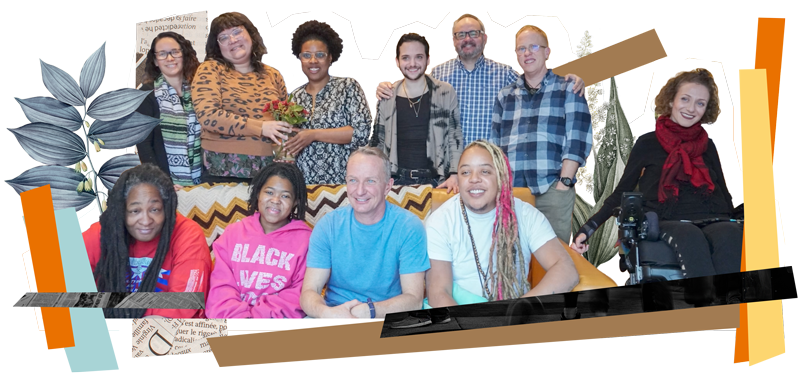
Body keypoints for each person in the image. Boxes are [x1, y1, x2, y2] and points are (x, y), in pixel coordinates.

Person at [572, 68, 743, 280]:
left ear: (706, 109)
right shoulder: (647, 143)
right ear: (671, 101)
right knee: (690, 237)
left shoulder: (707, 146)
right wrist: (587, 229)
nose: (691, 108)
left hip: (713, 218)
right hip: (668, 219)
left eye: (700, 103)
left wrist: (737, 217)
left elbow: (723, 194)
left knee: (731, 235)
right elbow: (621, 192)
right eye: (685, 99)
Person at [390, 140, 580, 329]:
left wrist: (521, 308)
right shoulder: (440, 221)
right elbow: (439, 291)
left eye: (485, 171)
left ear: (500, 176)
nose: (474, 179)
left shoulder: (526, 215)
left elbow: (566, 270)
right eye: (465, 172)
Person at [376, 14, 585, 146]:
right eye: (460, 35)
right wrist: (387, 87)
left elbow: (537, 83)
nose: (467, 39)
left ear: (484, 38)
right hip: (446, 173)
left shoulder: (506, 75)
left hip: (490, 171)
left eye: (473, 33)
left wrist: (568, 79)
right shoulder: (438, 75)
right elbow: (411, 89)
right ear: (454, 41)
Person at [300, 147, 429, 318]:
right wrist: (328, 313)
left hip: (387, 316)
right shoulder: (328, 226)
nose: (359, 191)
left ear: (387, 186)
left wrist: (370, 311)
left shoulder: (409, 227)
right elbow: (309, 292)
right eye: (353, 180)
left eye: (370, 181)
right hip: (334, 313)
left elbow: (414, 299)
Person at [491, 25, 592, 245]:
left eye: (534, 46)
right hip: (513, 194)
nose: (527, 53)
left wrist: (564, 183)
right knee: (512, 259)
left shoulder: (568, 89)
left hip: (552, 192)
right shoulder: (505, 95)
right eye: (521, 49)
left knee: (554, 263)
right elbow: (495, 146)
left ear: (547, 52)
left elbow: (577, 140)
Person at [83, 163, 212, 318]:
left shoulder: (188, 235)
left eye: (154, 210)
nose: (145, 221)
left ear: (167, 208)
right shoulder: (102, 234)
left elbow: (184, 304)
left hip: (168, 332)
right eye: (135, 211)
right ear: (121, 211)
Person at [192, 12, 293, 184]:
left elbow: (286, 120)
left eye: (237, 32)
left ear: (250, 34)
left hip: (270, 169)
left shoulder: (273, 74)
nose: (232, 40)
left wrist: (286, 153)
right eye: (223, 37)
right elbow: (208, 116)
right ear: (218, 46)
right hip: (223, 168)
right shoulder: (210, 69)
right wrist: (260, 127)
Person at [205, 163, 311, 318]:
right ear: (258, 194)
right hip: (231, 321)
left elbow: (298, 293)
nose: (275, 200)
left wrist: (257, 320)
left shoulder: (306, 240)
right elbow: (221, 286)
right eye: (269, 192)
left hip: (276, 325)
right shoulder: (233, 233)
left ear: (296, 202)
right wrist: (241, 320)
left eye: (285, 196)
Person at [370, 33, 463, 193]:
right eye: (406, 58)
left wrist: (455, 174)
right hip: (395, 181)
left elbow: (454, 137)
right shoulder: (388, 95)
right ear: (397, 61)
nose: (412, 63)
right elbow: (378, 141)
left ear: (427, 59)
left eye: (418, 57)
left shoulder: (445, 92)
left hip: (436, 181)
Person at [282, 20, 372, 185]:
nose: (313, 60)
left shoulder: (347, 87)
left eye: (320, 55)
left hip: (345, 183)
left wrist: (313, 134)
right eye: (307, 55)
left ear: (330, 57)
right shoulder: (294, 97)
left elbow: (361, 133)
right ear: (300, 58)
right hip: (304, 185)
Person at [135, 31, 202, 191]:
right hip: (168, 186)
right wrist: (162, 182)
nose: (170, 58)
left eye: (174, 52)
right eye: (163, 54)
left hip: (203, 185)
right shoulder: (146, 94)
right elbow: (144, 144)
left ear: (184, 55)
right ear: (156, 61)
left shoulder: (200, 92)